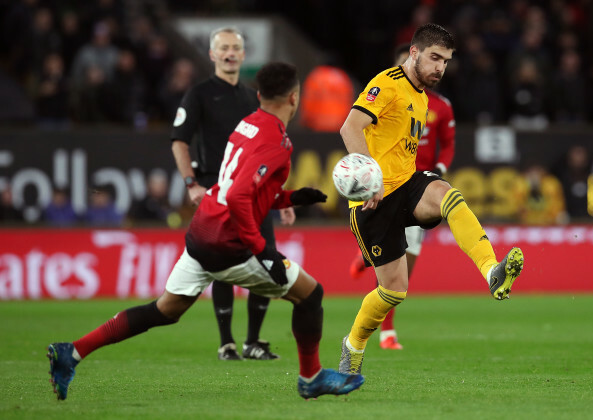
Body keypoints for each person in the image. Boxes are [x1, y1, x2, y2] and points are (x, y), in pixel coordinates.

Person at [47, 62, 364, 401]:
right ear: (295, 98)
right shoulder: (276, 141)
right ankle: (311, 377)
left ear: (258, 96)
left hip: (202, 231)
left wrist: (290, 197)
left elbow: (239, 188)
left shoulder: (247, 125)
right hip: (228, 244)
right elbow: (240, 195)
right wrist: (263, 251)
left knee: (165, 310)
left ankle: (73, 352)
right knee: (310, 295)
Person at [337, 23, 524, 375]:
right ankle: (353, 345)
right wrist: (370, 179)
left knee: (448, 194)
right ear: (414, 53)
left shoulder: (422, 97)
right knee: (393, 292)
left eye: (446, 61)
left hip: (407, 185)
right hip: (372, 202)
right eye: (435, 58)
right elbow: (350, 127)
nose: (440, 67)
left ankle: (491, 271)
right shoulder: (387, 83)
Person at [171, 27, 295, 361]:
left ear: (243, 55)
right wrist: (190, 183)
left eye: (235, 48)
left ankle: (253, 341)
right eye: (223, 48)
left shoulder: (251, 97)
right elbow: (179, 140)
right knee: (222, 262)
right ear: (212, 54)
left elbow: (270, 151)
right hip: (215, 189)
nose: (229, 53)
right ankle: (226, 342)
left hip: (257, 194)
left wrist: (280, 197)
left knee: (265, 254)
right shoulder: (198, 94)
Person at [348, 43, 456, 350]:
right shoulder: (389, 90)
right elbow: (355, 127)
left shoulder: (439, 105)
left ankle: (367, 256)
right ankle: (387, 332)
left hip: (419, 187)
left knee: (407, 262)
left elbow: (448, 144)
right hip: (388, 186)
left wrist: (438, 167)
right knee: (395, 268)